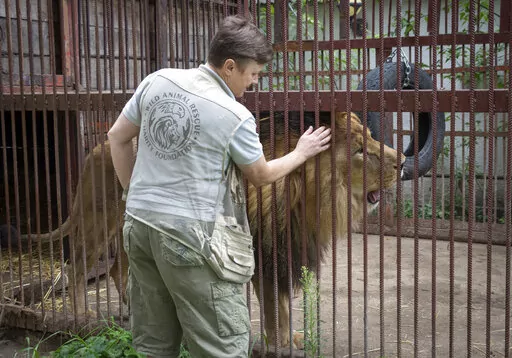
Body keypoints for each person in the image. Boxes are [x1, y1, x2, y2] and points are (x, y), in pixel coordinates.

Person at [107, 14, 331, 358]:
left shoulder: (157, 80)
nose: (253, 83)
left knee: (154, 344)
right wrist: (302, 152)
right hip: (191, 238)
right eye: (253, 74)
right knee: (221, 347)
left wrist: (133, 195)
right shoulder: (233, 113)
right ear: (229, 66)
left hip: (139, 227)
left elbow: (117, 138)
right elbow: (260, 175)